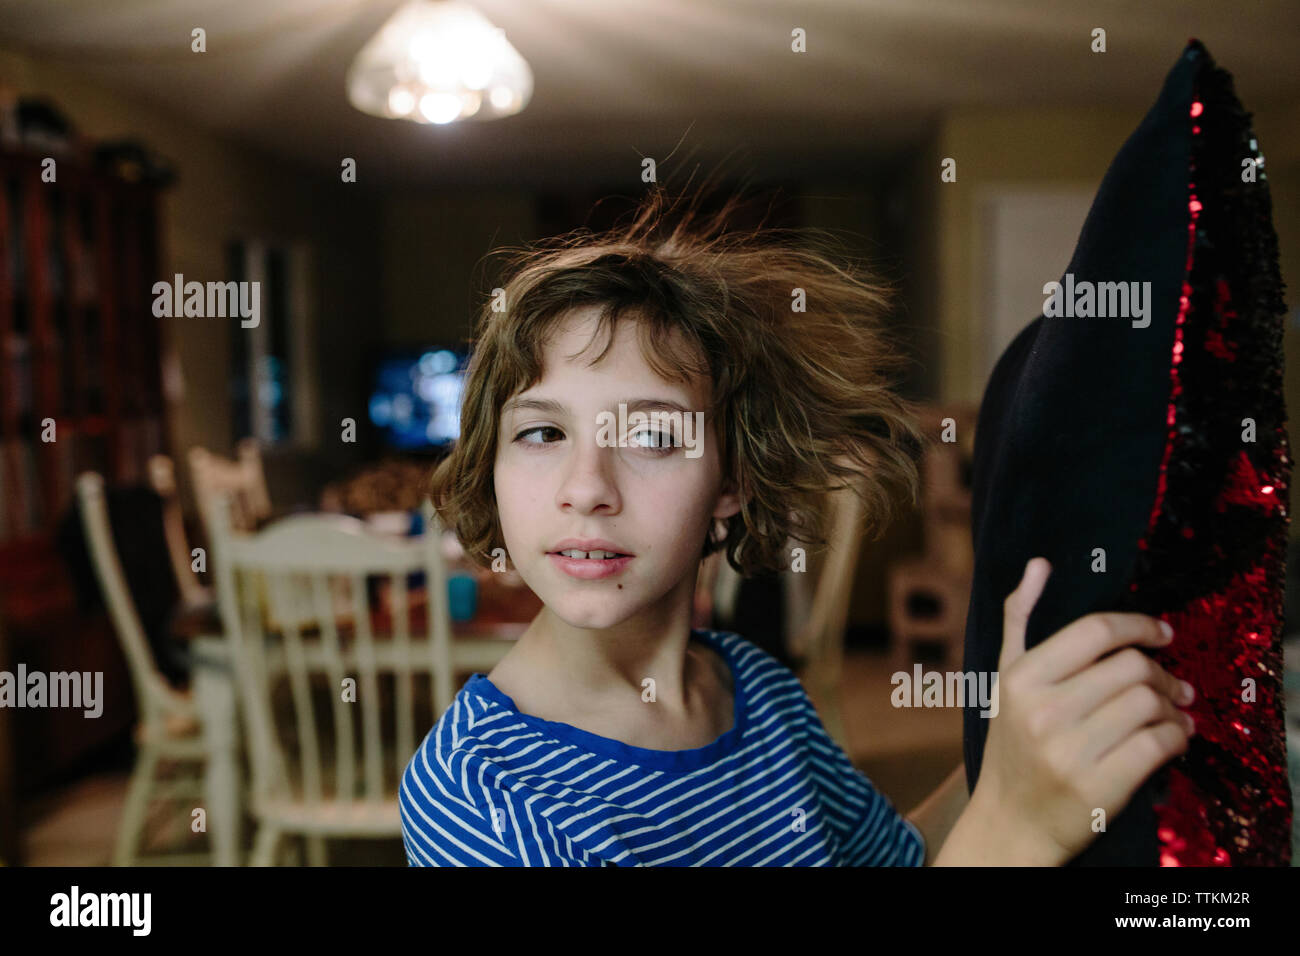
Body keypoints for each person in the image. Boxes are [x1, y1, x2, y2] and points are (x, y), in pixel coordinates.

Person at [399, 186, 1194, 866]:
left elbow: (894, 858)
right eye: (542, 432)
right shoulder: (482, 796)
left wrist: (1010, 746)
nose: (587, 489)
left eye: (650, 436)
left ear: (733, 479)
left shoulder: (756, 689)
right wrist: (1016, 830)